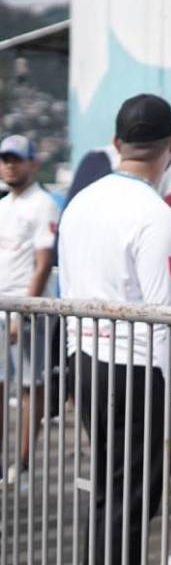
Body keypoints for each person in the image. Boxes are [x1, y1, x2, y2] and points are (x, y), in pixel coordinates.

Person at [58, 94, 171, 565]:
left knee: (112, 497)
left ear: (117, 143)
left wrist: (74, 364)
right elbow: (169, 317)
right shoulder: (157, 217)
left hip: (90, 361)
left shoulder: (79, 205)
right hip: (139, 373)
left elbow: (67, 291)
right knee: (128, 503)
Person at [0, 133, 60, 479]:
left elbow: (41, 263)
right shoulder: (5, 204)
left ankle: (22, 467)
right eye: (5, 159)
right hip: (2, 305)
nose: (9, 165)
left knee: (27, 388)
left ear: (32, 163)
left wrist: (22, 310)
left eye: (16, 159)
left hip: (26, 311)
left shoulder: (43, 204)